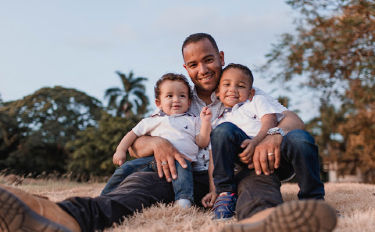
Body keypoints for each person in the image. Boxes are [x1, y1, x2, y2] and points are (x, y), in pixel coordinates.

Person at [0, 33, 336, 232]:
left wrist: (274, 134)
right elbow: (139, 140)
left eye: (208, 60)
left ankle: (263, 220)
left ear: (220, 57)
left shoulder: (240, 89)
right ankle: (60, 217)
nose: (202, 69)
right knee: (135, 189)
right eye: (193, 64)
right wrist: (155, 142)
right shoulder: (176, 100)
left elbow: (291, 118)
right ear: (185, 68)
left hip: (232, 171)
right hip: (181, 171)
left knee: (257, 179)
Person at [100, 73, 212, 209]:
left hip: (182, 160)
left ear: (189, 102)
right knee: (126, 168)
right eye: (169, 96)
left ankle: (183, 201)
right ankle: (104, 196)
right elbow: (132, 134)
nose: (176, 100)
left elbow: (202, 142)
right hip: (153, 160)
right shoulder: (153, 119)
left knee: (183, 172)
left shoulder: (193, 120)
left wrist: (206, 123)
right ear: (158, 103)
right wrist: (120, 150)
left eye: (182, 96)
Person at [206, 63, 286, 219]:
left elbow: (269, 120)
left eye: (240, 86)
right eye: (227, 84)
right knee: (223, 130)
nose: (233, 89)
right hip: (239, 163)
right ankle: (225, 194)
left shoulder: (255, 102)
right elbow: (213, 159)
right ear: (217, 92)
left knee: (259, 193)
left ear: (251, 92)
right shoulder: (217, 122)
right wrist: (214, 189)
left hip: (262, 155)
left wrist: (256, 141)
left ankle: (264, 216)